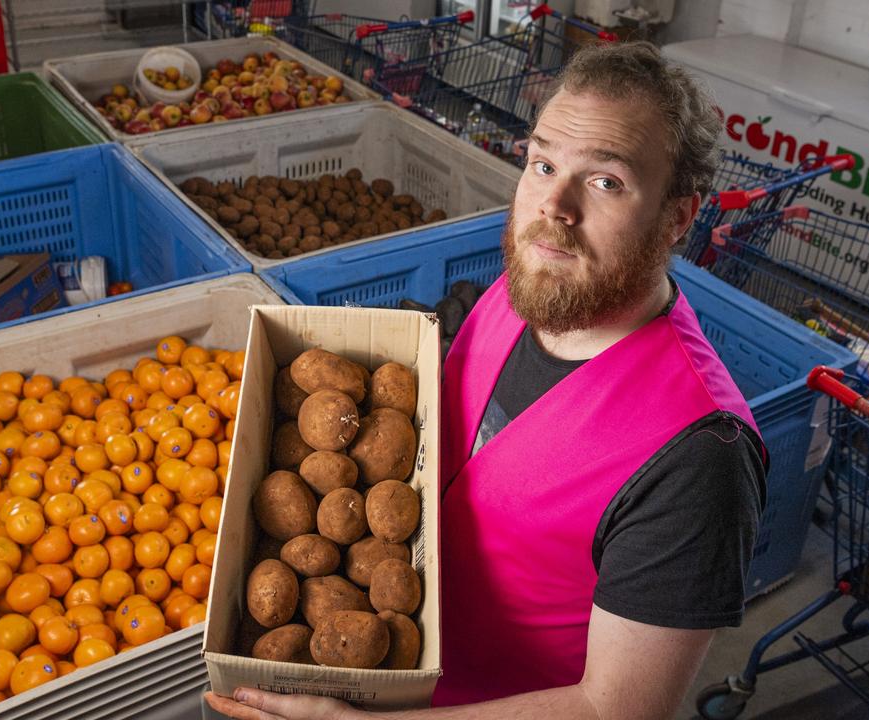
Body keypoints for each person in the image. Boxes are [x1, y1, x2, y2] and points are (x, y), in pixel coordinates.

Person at [206, 40, 768, 720]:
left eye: (605, 182)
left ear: (678, 217)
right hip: (387, 663)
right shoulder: (527, 288)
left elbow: (616, 710)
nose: (553, 206)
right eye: (543, 162)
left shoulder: (701, 453)